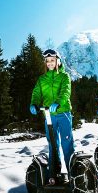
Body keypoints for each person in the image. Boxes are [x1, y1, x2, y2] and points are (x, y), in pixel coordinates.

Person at [30, 48, 75, 185]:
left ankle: (72, 173)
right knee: (52, 144)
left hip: (63, 113)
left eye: (52, 60)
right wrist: (34, 103)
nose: (50, 63)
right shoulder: (42, 79)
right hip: (49, 115)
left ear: (58, 61)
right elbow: (37, 93)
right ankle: (54, 174)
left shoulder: (64, 76)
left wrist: (58, 103)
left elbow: (65, 91)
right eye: (47, 61)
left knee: (67, 143)